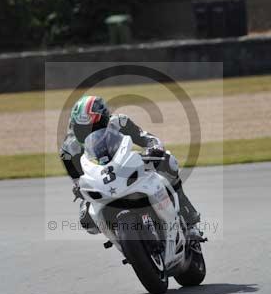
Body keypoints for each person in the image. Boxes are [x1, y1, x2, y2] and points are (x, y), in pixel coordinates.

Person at [60, 95, 200, 234]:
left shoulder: (120, 122)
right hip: (100, 180)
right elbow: (77, 179)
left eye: (94, 127)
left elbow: (148, 139)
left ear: (105, 120)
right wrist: (79, 188)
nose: (89, 132)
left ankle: (188, 219)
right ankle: (121, 238)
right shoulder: (69, 149)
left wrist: (154, 148)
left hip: (126, 166)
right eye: (82, 129)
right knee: (86, 220)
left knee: (168, 162)